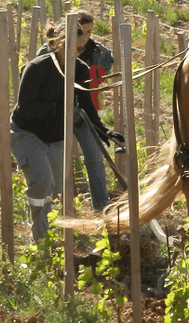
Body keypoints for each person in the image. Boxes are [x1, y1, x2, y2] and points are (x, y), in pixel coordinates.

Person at [11, 19, 124, 241]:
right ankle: (40, 239)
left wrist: (104, 131)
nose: (79, 53)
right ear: (60, 43)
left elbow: (87, 105)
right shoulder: (37, 68)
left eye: (82, 48)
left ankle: (50, 236)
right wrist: (60, 108)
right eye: (76, 47)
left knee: (55, 190)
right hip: (27, 133)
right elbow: (26, 109)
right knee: (42, 181)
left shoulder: (80, 69)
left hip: (55, 137)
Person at [35, 10, 116, 212]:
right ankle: (55, 208)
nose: (87, 37)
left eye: (90, 32)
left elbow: (95, 86)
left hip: (82, 113)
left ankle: (101, 206)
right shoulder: (47, 53)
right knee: (55, 160)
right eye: (83, 32)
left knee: (95, 156)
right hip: (55, 114)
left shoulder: (101, 54)